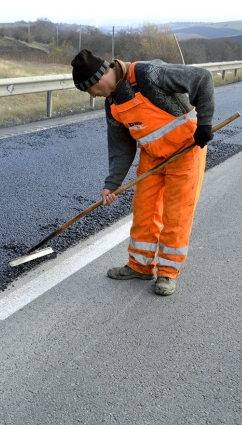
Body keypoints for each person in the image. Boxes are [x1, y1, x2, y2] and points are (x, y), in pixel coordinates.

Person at [71, 49, 215, 296]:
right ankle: (140, 266)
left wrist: (204, 124)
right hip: (152, 156)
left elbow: (202, 78)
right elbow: (120, 146)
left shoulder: (148, 74)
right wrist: (112, 184)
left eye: (90, 90)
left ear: (99, 77)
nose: (93, 95)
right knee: (144, 211)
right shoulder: (113, 103)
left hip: (185, 151)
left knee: (176, 215)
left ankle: (168, 273)